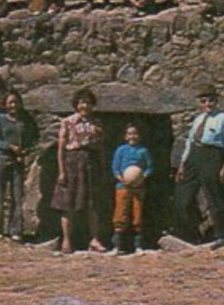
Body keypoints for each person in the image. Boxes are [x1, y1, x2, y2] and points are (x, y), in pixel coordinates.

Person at [174, 86, 224, 248]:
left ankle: (222, 235)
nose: (208, 104)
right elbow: (189, 142)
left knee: (213, 195)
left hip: (212, 155)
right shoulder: (198, 119)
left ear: (216, 101)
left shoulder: (223, 118)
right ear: (200, 103)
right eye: (204, 101)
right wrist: (183, 164)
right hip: (194, 156)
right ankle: (193, 233)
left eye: (211, 100)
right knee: (183, 197)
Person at [52, 89, 108, 254]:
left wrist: (103, 168)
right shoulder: (68, 122)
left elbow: (101, 148)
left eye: (88, 102)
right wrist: (62, 171)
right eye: (82, 102)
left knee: (93, 204)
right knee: (67, 203)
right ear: (76, 104)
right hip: (72, 163)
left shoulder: (96, 124)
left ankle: (95, 239)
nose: (85, 106)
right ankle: (67, 240)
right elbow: (61, 149)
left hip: (91, 163)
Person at [0, 90, 38, 241]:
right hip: (2, 159)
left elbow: (34, 136)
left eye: (16, 102)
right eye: (10, 102)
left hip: (18, 161)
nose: (13, 105)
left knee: (17, 195)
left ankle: (15, 230)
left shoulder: (25, 120)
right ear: (5, 104)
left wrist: (27, 149)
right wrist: (9, 146)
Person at [109, 123, 155, 255]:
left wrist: (142, 177)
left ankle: (138, 245)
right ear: (125, 136)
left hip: (138, 187)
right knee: (120, 213)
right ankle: (117, 246)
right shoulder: (121, 150)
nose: (132, 136)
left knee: (137, 213)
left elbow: (150, 167)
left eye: (135, 133)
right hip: (123, 186)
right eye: (130, 133)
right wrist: (120, 178)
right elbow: (115, 167)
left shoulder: (143, 151)